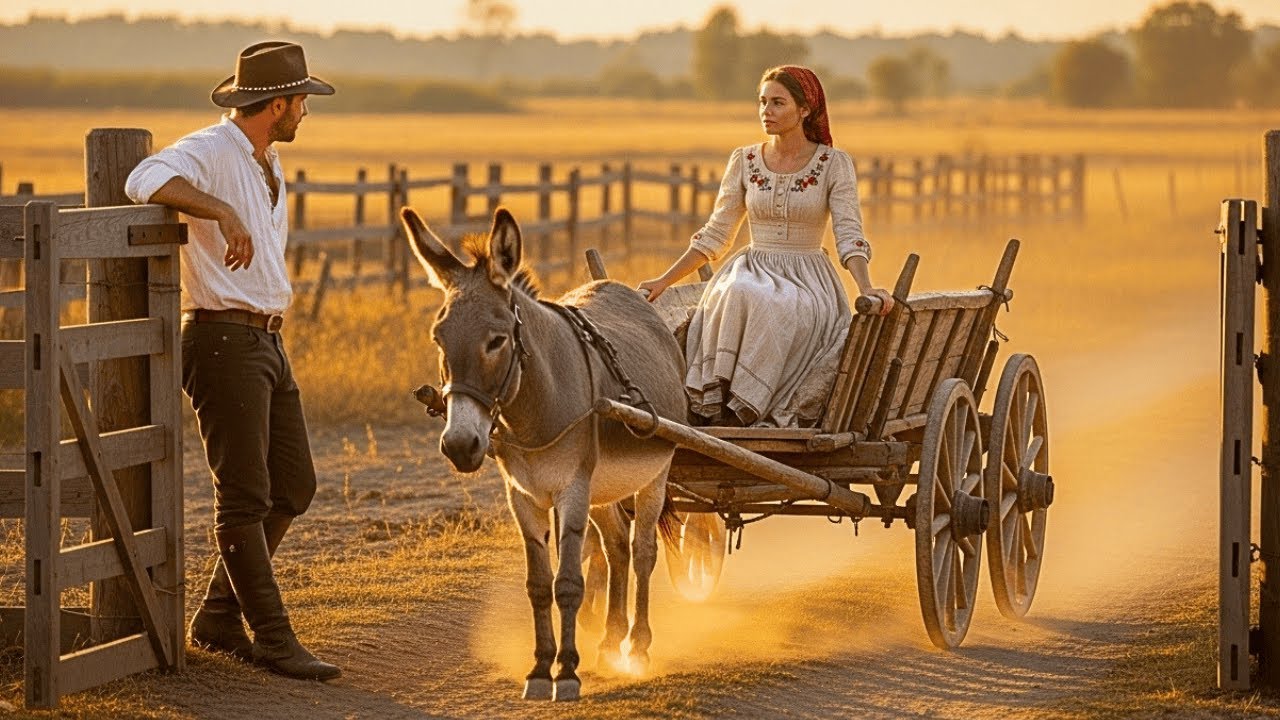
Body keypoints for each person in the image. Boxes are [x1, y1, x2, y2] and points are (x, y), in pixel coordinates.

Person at [124, 41, 339, 681]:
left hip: (266, 340)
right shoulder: (214, 151)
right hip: (222, 341)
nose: (306, 111)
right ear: (276, 104)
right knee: (244, 496)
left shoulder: (267, 161)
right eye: (301, 100)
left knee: (294, 484)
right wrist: (218, 210)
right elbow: (142, 180)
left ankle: (219, 616)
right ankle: (273, 638)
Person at [639, 65, 894, 428]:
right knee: (737, 291)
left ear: (805, 109)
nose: (766, 112)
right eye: (762, 102)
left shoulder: (833, 164)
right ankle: (717, 402)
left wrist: (866, 287)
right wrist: (664, 281)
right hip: (751, 268)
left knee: (771, 303)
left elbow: (849, 233)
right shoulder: (744, 160)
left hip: (808, 279)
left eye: (777, 102)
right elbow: (716, 234)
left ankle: (751, 405)